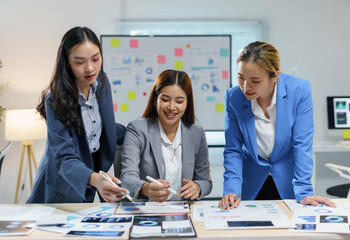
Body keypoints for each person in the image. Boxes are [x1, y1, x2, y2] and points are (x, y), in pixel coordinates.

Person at [219, 41, 336, 209]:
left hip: (288, 179)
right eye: (241, 78)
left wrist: (304, 190)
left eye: (255, 81)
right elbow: (233, 148)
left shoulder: (299, 90)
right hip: (251, 179)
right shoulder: (234, 97)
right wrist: (231, 189)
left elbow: (301, 143)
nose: (246, 87)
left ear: (274, 76)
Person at [27, 27, 128, 203]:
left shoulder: (102, 84)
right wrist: (96, 179)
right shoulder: (55, 99)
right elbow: (64, 157)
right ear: (67, 62)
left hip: (88, 182)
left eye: (96, 59)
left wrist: (140, 133)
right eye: (80, 62)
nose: (90, 68)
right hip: (60, 185)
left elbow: (105, 128)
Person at [120, 69, 212, 202]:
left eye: (179, 101)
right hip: (148, 211)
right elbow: (127, 177)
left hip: (183, 211)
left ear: (187, 103)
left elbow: (206, 182)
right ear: (155, 99)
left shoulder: (197, 133)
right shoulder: (137, 129)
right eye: (165, 99)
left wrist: (197, 187)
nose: (171, 107)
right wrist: (145, 188)